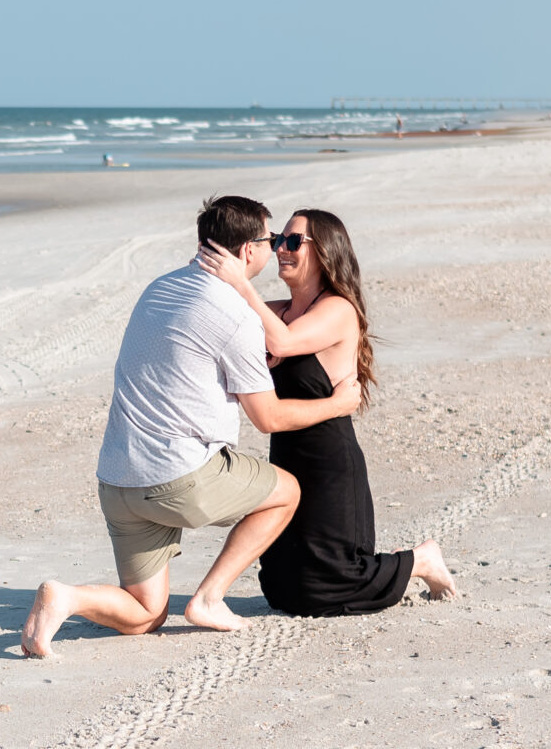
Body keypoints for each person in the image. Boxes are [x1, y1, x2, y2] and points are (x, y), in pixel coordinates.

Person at [21, 196, 361, 656]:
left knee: (145, 614)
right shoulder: (236, 315)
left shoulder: (158, 288)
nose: (277, 247)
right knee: (287, 492)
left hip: (117, 480)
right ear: (247, 253)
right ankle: (209, 597)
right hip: (178, 479)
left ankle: (67, 597)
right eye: (271, 239)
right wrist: (340, 404)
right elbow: (269, 419)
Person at [198, 208, 456, 617]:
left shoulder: (338, 310)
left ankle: (420, 560)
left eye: (294, 242)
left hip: (330, 462)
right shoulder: (275, 310)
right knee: (283, 589)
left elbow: (281, 343)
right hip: (285, 454)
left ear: (325, 253)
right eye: (279, 240)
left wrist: (242, 288)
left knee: (331, 583)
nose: (281, 248)